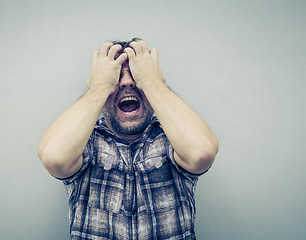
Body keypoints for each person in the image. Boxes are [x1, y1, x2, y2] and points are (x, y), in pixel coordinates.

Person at [37, 38, 219, 239]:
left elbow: (202, 152)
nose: (126, 82)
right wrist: (98, 88)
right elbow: (55, 157)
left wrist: (152, 83)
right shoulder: (85, 141)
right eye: (116, 77)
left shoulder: (172, 138)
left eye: (136, 75)